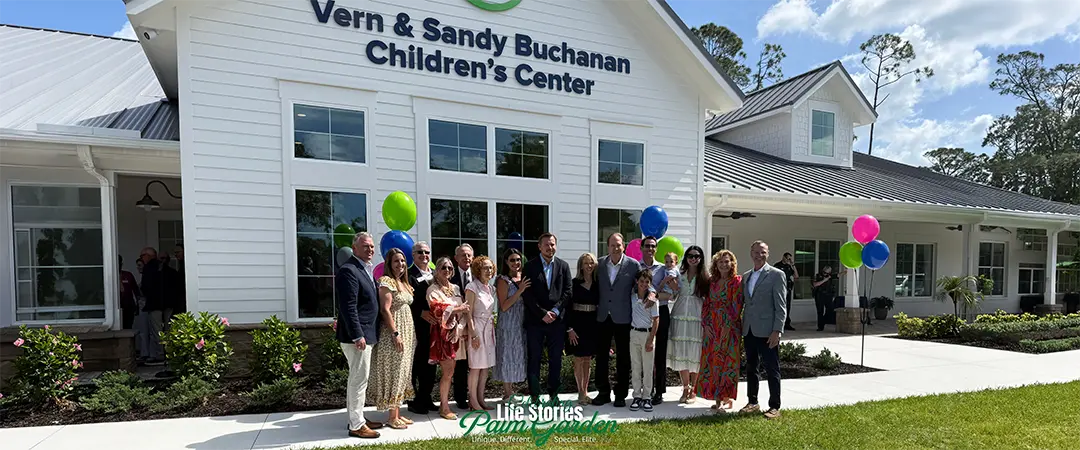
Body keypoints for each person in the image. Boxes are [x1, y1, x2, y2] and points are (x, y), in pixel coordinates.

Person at [335, 232, 383, 438]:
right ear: (354, 249)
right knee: (358, 379)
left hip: (366, 334)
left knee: (360, 378)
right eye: (365, 247)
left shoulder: (364, 270)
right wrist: (357, 335)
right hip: (357, 337)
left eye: (372, 247)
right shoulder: (349, 271)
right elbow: (348, 307)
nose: (370, 250)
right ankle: (356, 425)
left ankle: (358, 417)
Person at [368, 248, 416, 430]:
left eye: (403, 261)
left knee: (403, 372)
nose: (400, 264)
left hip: (407, 332)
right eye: (396, 261)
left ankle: (397, 413)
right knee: (395, 372)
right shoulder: (386, 282)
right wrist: (395, 333)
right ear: (389, 263)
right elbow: (385, 309)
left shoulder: (403, 282)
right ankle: (391, 417)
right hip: (393, 334)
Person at [522, 233, 573, 404]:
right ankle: (535, 395)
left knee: (556, 359)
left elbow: (568, 291)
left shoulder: (563, 266)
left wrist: (556, 311)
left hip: (557, 322)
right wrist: (542, 313)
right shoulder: (529, 267)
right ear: (539, 246)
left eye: (552, 244)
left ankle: (554, 394)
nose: (549, 248)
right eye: (546, 245)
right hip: (536, 321)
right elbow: (527, 295)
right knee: (534, 358)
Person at [739, 241, 787, 419]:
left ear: (768, 253)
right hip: (749, 329)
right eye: (756, 252)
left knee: (772, 368)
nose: (759, 255)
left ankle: (775, 406)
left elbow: (781, 306)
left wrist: (777, 330)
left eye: (763, 252)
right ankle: (753, 402)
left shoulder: (776, 275)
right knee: (751, 367)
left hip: (768, 331)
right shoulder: (746, 276)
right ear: (751, 253)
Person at [592, 233, 642, 408]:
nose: (615, 248)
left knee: (623, 357)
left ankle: (620, 394)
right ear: (608, 246)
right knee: (601, 357)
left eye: (618, 245)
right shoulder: (599, 264)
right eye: (612, 245)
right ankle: (603, 392)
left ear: (624, 246)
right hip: (603, 316)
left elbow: (640, 287)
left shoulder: (634, 265)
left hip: (623, 317)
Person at [697, 250, 743, 410]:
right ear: (716, 265)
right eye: (720, 262)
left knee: (728, 362)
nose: (724, 264)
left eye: (727, 261)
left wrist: (727, 326)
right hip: (713, 326)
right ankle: (717, 398)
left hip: (730, 327)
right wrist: (707, 324)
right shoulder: (712, 282)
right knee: (713, 361)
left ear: (732, 264)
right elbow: (707, 304)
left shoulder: (737, 281)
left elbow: (736, 305)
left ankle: (726, 397)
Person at [428, 256, 471, 420]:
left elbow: (465, 312)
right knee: (447, 372)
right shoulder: (432, 289)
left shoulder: (455, 288)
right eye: (443, 268)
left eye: (450, 268)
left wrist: (459, 328)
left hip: (457, 335)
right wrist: (458, 308)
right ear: (437, 270)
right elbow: (437, 309)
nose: (447, 271)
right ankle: (444, 407)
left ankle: (447, 403)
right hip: (442, 336)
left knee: (454, 371)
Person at [666, 245, 708, 404]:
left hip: (697, 316)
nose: (693, 259)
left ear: (700, 258)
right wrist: (673, 288)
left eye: (697, 256)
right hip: (679, 314)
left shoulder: (705, 276)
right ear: (686, 258)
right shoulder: (679, 273)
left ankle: (694, 389)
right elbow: (673, 296)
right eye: (690, 256)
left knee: (695, 351)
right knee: (681, 350)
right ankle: (685, 387)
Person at [639, 236, 673, 405]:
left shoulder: (663, 269)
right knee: (644, 353)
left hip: (661, 311)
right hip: (642, 314)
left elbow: (671, 294)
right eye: (647, 246)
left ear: (656, 249)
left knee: (659, 353)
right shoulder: (636, 267)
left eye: (653, 246)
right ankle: (644, 390)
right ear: (641, 248)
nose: (650, 249)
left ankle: (658, 391)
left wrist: (655, 295)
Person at [407, 242, 439, 415]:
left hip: (434, 328)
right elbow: (406, 299)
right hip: (417, 326)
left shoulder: (434, 275)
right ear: (413, 254)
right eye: (420, 252)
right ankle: (414, 400)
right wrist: (420, 312)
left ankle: (427, 397)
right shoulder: (408, 275)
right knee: (417, 364)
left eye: (427, 252)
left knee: (431, 363)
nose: (424, 255)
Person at [494, 248, 530, 400]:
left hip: (521, 322)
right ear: (506, 263)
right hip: (508, 324)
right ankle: (508, 393)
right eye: (512, 260)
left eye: (518, 260)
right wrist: (520, 290)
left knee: (518, 356)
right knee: (507, 356)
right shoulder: (503, 280)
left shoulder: (524, 277)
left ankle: (512, 391)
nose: (516, 263)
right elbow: (504, 305)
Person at [566, 252, 600, 406]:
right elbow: (567, 308)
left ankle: (585, 391)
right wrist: (569, 328)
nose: (589, 266)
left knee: (587, 359)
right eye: (586, 263)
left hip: (592, 324)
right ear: (580, 265)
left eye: (591, 263)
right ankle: (580, 392)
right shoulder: (573, 283)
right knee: (578, 359)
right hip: (577, 324)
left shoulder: (598, 284)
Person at [465, 256, 497, 411]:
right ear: (478, 269)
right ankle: (473, 401)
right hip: (476, 327)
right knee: (476, 366)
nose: (488, 271)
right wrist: (474, 334)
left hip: (488, 328)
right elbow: (468, 313)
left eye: (490, 268)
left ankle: (481, 399)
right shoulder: (472, 287)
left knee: (485, 367)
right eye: (485, 268)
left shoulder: (491, 289)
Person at [627, 268, 660, 413]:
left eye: (647, 282)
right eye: (641, 281)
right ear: (637, 282)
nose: (644, 284)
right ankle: (637, 396)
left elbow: (656, 320)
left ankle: (647, 397)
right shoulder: (632, 297)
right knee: (636, 366)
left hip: (647, 334)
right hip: (634, 333)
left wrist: (650, 340)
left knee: (647, 368)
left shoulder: (652, 300)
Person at [448, 244, 474, 410]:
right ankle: (460, 397)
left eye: (469, 255)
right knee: (460, 363)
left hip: (474, 323)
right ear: (456, 258)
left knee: (475, 363)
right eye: (463, 255)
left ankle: (475, 395)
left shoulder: (477, 275)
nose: (466, 258)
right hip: (456, 324)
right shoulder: (450, 275)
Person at [139, 247, 166, 366]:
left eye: (142, 256)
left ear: (148, 256)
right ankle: (165, 354)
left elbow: (146, 287)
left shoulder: (149, 268)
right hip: (166, 304)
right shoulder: (162, 267)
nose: (141, 259)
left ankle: (160, 355)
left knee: (156, 331)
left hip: (155, 304)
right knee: (165, 330)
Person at [812, 266, 844, 331]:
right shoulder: (818, 276)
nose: (826, 274)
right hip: (819, 295)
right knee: (820, 311)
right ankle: (820, 327)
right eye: (825, 272)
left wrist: (845, 271)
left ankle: (823, 321)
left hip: (828, 295)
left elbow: (838, 275)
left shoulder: (830, 276)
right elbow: (815, 284)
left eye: (828, 272)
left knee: (830, 310)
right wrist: (824, 280)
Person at [774, 252, 798, 331]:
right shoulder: (777, 266)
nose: (789, 260)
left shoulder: (788, 266)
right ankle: (780, 324)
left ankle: (787, 324)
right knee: (780, 306)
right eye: (788, 258)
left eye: (790, 259)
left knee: (788, 307)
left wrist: (793, 265)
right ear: (783, 257)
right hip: (780, 289)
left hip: (788, 289)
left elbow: (796, 276)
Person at [119, 255, 141, 330]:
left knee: (128, 328)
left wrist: (138, 305)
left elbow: (136, 291)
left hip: (128, 307)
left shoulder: (128, 275)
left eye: (119, 263)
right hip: (115, 308)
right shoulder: (108, 276)